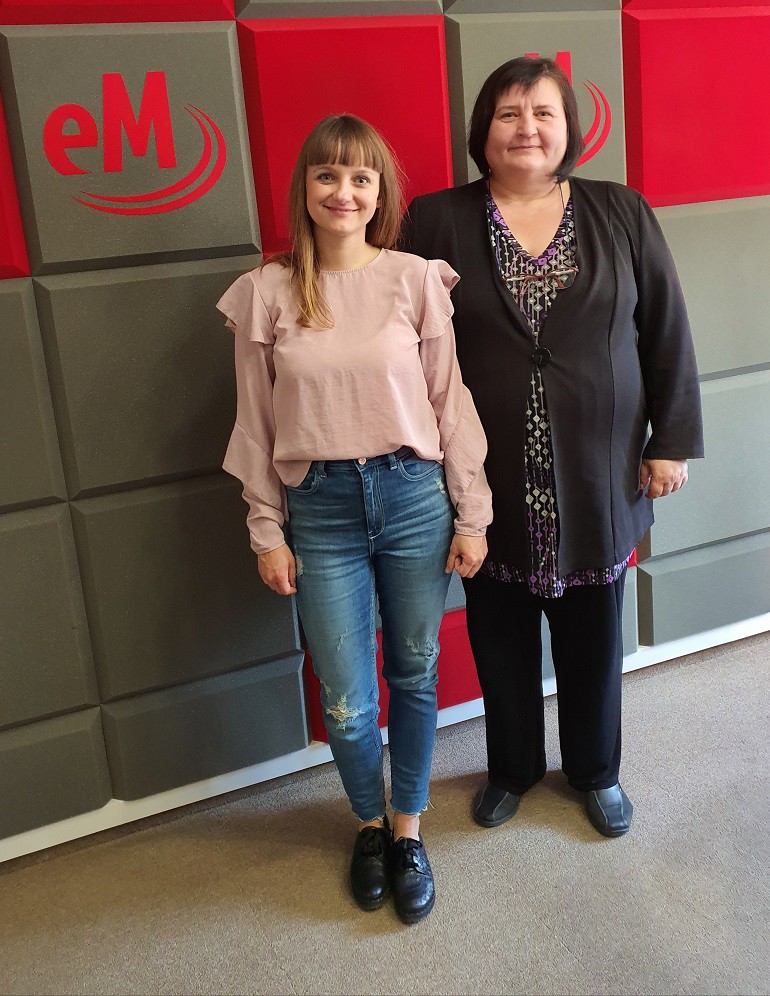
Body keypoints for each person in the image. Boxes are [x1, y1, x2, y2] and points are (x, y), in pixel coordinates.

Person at [400, 57, 704, 837]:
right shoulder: (435, 220)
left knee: (593, 638)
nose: (526, 128)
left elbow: (664, 327)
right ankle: (512, 768)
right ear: (483, 129)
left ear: (569, 127)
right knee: (497, 633)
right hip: (486, 476)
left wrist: (670, 440)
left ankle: (596, 771)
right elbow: (398, 341)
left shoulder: (619, 210)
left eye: (543, 112)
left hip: (598, 473)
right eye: (508, 113)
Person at [216, 114, 492, 921]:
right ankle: (367, 824)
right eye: (327, 175)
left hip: (413, 499)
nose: (344, 191)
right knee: (344, 693)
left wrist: (471, 514)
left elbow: (449, 402)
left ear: (380, 194)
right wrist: (266, 530)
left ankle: (408, 829)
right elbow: (253, 423)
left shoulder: (415, 279)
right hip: (320, 509)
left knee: (414, 672)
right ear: (305, 188)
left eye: (361, 178)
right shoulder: (266, 291)